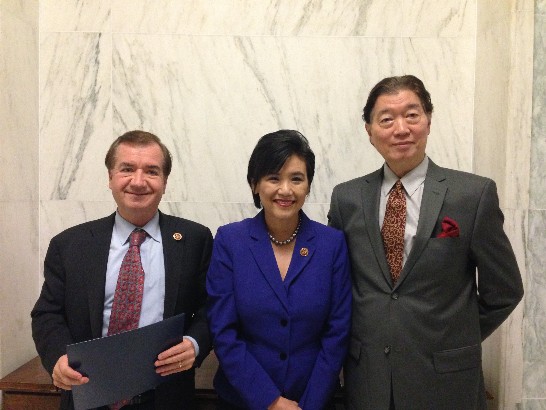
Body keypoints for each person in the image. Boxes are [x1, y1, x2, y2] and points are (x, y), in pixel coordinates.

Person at [328, 75, 524, 410]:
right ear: (369, 131)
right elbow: (339, 285)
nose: (400, 128)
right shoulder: (347, 198)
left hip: (447, 380)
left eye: (412, 115)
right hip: (368, 377)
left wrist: (453, 337)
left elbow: (504, 290)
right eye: (386, 119)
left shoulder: (472, 195)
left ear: (429, 121)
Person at [31, 130, 213, 410]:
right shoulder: (70, 245)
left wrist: (195, 342)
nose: (138, 182)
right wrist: (57, 358)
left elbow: (210, 308)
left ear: (165, 182)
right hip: (88, 396)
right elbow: (47, 313)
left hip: (166, 398)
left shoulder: (194, 240)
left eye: (151, 171)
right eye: (127, 169)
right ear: (110, 177)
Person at [207, 130, 352, 410]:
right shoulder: (230, 241)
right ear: (255, 184)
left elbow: (337, 332)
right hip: (243, 400)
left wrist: (308, 405)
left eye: (296, 179)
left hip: (313, 400)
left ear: (308, 186)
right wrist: (270, 401)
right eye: (274, 178)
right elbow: (223, 331)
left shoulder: (331, 244)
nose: (285, 190)